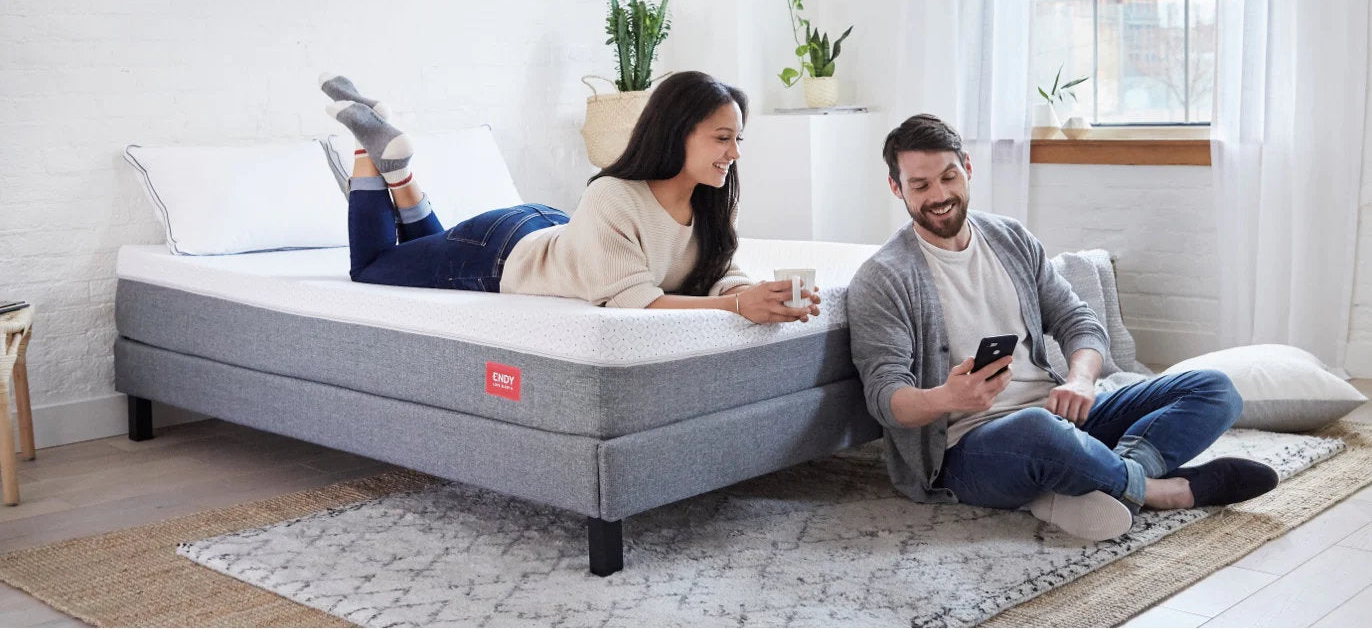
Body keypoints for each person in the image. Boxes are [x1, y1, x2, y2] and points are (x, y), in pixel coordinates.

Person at [846, 114, 1279, 540]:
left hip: (1057, 417)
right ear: (896, 187)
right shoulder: (884, 278)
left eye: (949, 177)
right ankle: (1163, 490)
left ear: (968, 168)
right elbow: (886, 399)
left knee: (1215, 389)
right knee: (1038, 431)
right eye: (920, 186)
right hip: (964, 449)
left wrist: (1080, 380)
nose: (940, 195)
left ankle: (1101, 480)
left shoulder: (1009, 239)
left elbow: (1079, 322)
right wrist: (948, 396)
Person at [318, 70, 820, 323]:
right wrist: (736, 310)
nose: (733, 152)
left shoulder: (711, 200)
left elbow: (718, 272)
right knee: (374, 264)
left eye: (737, 138)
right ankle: (369, 150)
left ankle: (398, 171)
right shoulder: (615, 196)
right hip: (500, 253)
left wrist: (757, 296)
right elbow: (632, 301)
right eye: (721, 138)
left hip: (554, 230)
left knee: (421, 252)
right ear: (677, 133)